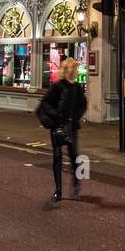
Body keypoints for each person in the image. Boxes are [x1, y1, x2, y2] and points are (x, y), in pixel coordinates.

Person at [37, 57, 87, 203]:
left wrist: (75, 117)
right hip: (57, 126)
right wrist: (56, 115)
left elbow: (83, 105)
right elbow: (46, 103)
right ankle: (58, 191)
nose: (76, 71)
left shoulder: (77, 87)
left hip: (71, 127)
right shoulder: (57, 86)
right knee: (57, 157)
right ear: (68, 70)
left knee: (74, 156)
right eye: (75, 68)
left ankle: (76, 183)